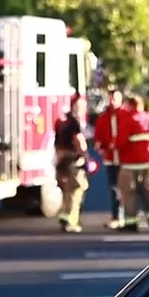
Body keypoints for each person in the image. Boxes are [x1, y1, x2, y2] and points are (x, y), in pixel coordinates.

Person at [116, 95, 149, 232]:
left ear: (130, 106)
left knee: (129, 193)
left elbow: (120, 142)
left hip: (130, 164)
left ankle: (131, 223)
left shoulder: (128, 121)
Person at [91, 88, 129, 230]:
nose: (112, 102)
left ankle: (128, 217)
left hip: (126, 160)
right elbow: (98, 138)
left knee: (127, 190)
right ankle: (116, 217)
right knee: (114, 189)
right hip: (110, 159)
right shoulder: (103, 118)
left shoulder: (126, 116)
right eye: (110, 98)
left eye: (115, 99)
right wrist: (100, 145)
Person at [54, 94, 89, 233]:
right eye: (81, 106)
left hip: (63, 158)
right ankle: (71, 221)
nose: (83, 109)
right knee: (76, 190)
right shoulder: (75, 122)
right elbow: (78, 140)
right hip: (74, 159)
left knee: (67, 190)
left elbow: (57, 143)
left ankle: (64, 215)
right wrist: (85, 157)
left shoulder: (63, 121)